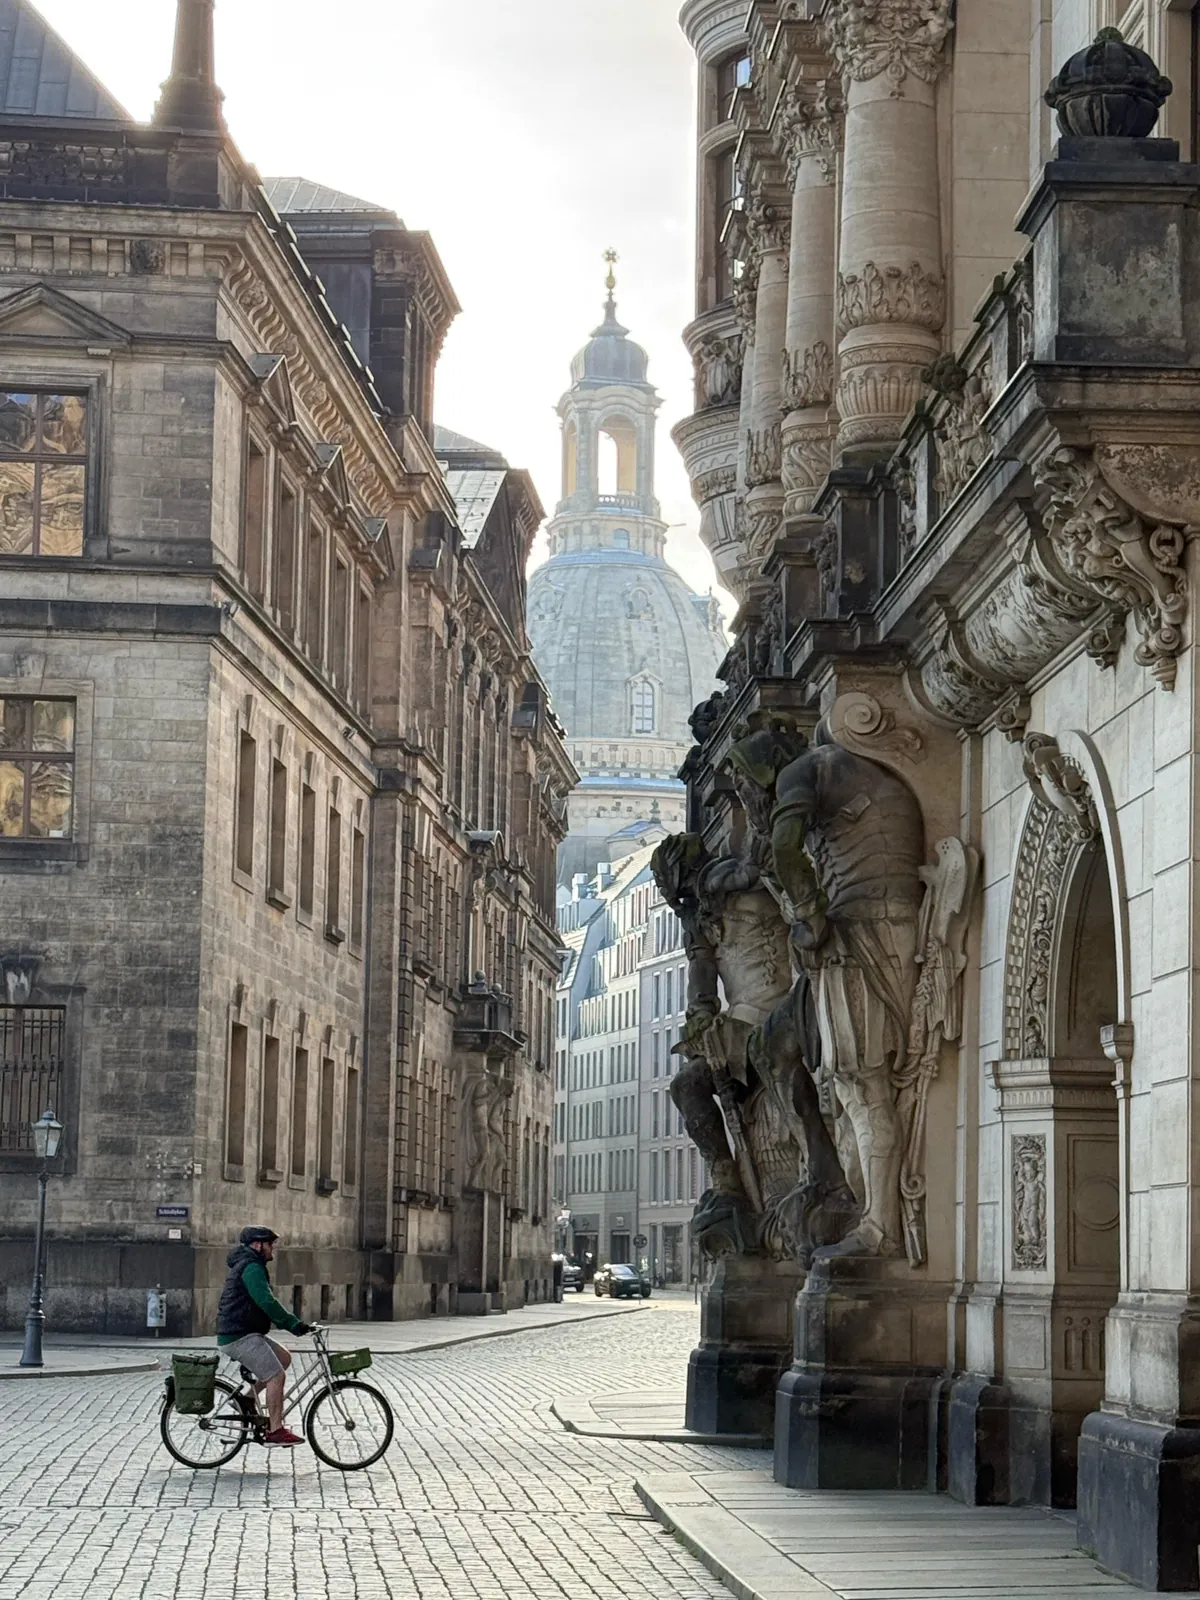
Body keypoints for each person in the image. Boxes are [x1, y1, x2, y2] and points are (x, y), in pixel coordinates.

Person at [216, 1226, 311, 1446]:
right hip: (238, 1335)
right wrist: (293, 1325)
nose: (272, 1249)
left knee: (284, 1358)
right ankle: (275, 1431)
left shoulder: (251, 1264)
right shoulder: (251, 1267)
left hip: (245, 1331)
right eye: (269, 1244)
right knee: (275, 1375)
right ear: (257, 1245)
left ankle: (246, 1400)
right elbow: (266, 1301)